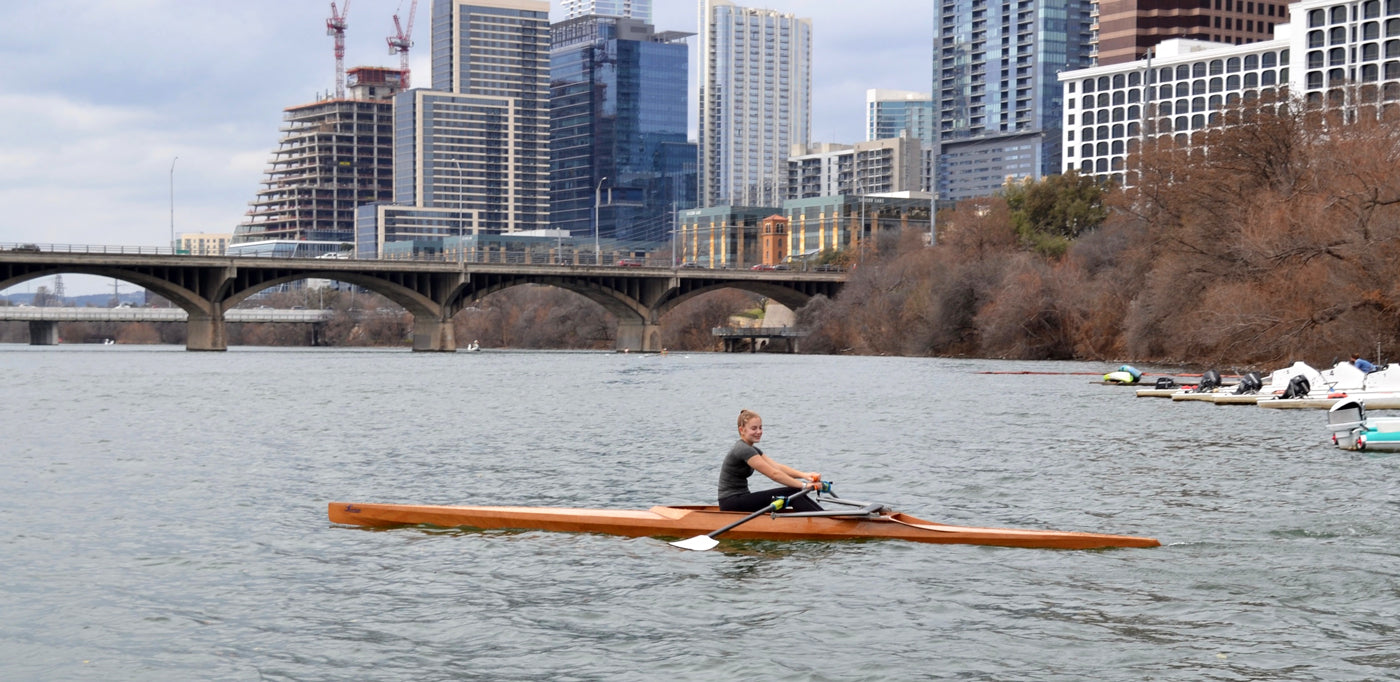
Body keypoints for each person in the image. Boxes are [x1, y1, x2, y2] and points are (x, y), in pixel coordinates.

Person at [717, 409, 824, 512]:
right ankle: (824, 523)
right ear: (742, 430)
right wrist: (804, 485)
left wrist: (805, 475)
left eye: (760, 428)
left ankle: (824, 518)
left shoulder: (752, 449)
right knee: (792, 492)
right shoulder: (743, 449)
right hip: (730, 502)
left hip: (741, 497)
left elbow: (776, 467)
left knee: (794, 491)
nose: (759, 432)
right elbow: (774, 474)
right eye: (754, 428)